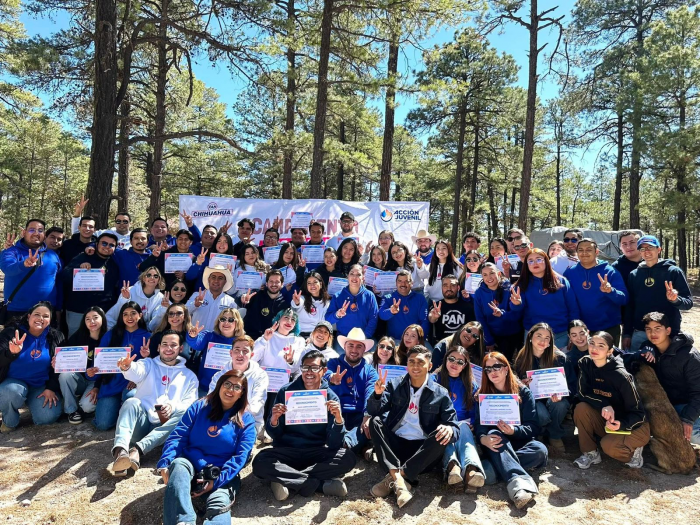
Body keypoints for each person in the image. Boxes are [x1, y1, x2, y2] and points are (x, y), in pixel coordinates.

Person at [252, 350, 356, 500]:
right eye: (305, 367)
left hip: (315, 452)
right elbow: (275, 435)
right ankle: (318, 485)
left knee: (348, 458)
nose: (309, 372)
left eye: (314, 368)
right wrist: (274, 419)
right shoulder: (286, 391)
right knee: (260, 461)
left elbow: (334, 444)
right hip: (287, 451)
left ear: (324, 371)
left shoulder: (331, 397)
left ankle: (286, 480)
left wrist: (339, 420)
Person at [158, 369, 255, 525]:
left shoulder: (247, 421)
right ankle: (183, 521)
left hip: (220, 474)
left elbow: (241, 457)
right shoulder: (199, 407)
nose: (230, 390)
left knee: (220, 502)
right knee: (179, 465)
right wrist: (165, 462)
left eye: (237, 387)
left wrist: (215, 482)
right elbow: (179, 435)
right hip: (190, 465)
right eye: (227, 384)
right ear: (220, 385)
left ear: (242, 393)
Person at [367, 345, 458, 508]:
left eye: (420, 362)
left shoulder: (441, 393)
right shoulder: (395, 385)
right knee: (374, 421)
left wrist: (450, 428)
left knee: (442, 433)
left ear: (430, 366)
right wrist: (377, 395)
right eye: (411, 362)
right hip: (396, 446)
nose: (415, 366)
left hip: (421, 451)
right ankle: (400, 481)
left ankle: (395, 477)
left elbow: (454, 426)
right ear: (407, 364)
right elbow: (374, 411)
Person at [111, 330, 199, 476]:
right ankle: (120, 452)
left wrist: (173, 407)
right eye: (164, 344)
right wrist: (127, 368)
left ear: (180, 348)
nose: (168, 348)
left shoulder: (189, 376)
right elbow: (136, 371)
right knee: (131, 401)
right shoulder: (148, 364)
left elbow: (190, 402)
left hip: (166, 429)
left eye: (173, 345)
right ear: (158, 347)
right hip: (143, 424)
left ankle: (138, 450)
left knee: (186, 413)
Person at [475, 352, 548, 509]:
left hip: (520, 443)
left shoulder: (523, 392)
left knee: (540, 450)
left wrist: (514, 431)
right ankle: (519, 488)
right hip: (496, 444)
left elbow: (533, 427)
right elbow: (480, 426)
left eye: (496, 367)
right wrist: (482, 438)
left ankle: (495, 468)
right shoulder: (482, 395)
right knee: (494, 434)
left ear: (506, 369)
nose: (492, 372)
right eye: (488, 369)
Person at [573, 331, 649, 469]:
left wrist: (621, 424)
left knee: (608, 446)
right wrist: (604, 404)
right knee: (581, 408)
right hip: (609, 422)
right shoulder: (585, 363)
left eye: (601, 346)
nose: (594, 349)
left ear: (610, 351)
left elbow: (639, 414)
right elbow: (582, 393)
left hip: (633, 425)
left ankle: (634, 451)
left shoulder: (620, 375)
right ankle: (590, 453)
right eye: (592, 343)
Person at [630, 312, 700, 444]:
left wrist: (688, 419)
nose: (653, 333)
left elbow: (698, 392)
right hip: (660, 405)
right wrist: (642, 353)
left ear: (668, 331)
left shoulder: (689, 356)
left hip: (684, 405)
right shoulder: (648, 349)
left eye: (657, 329)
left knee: (693, 435)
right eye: (648, 329)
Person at [0, 302, 64, 432]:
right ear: (29, 316)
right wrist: (11, 353)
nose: (41, 318)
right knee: (10, 392)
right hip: (13, 382)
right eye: (37, 314)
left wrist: (51, 388)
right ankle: (9, 422)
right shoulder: (11, 333)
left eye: (45, 316)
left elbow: (60, 367)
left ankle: (34, 403)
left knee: (47, 417)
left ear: (50, 320)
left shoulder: (56, 337)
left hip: (40, 385)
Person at [623, 235, 693, 352]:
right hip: (641, 332)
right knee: (637, 363)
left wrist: (675, 299)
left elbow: (688, 303)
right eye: (642, 249)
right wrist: (627, 333)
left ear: (659, 249)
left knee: (666, 364)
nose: (647, 251)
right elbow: (630, 306)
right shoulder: (634, 275)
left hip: (667, 332)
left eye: (650, 247)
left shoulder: (673, 272)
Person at [513, 323, 576, 453]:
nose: (543, 341)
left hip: (555, 399)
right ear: (530, 337)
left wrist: (563, 394)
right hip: (534, 400)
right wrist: (522, 385)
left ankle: (554, 435)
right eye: (539, 336)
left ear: (550, 342)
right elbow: (514, 385)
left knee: (559, 405)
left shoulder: (560, 358)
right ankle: (539, 433)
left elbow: (572, 384)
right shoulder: (521, 358)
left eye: (547, 338)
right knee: (541, 414)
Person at [433, 345, 485, 491]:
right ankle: (452, 466)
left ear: (465, 365)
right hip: (440, 423)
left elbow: (474, 410)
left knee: (462, 428)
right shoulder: (433, 379)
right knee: (446, 431)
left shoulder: (470, 385)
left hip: (462, 424)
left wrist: (473, 423)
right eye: (452, 359)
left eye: (460, 361)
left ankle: (471, 470)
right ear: (445, 360)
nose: (455, 363)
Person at [92, 301, 150, 431]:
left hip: (134, 385)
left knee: (130, 397)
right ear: (121, 317)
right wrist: (92, 372)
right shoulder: (111, 335)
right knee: (103, 424)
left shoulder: (147, 336)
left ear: (140, 315)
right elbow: (98, 362)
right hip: (111, 384)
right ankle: (117, 410)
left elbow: (152, 366)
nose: (129, 317)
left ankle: (127, 415)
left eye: (133, 313)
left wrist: (146, 358)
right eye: (125, 314)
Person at [510, 248, 581, 349]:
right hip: (533, 334)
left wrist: (573, 332)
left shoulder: (561, 281)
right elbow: (516, 311)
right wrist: (516, 304)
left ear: (546, 261)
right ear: (526, 265)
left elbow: (573, 309)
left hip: (560, 334)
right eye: (530, 261)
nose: (535, 263)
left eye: (538, 259)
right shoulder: (521, 285)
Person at [326, 328, 379, 453]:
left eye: (359, 346)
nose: (354, 350)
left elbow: (370, 392)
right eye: (351, 345)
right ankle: (351, 446)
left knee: (368, 424)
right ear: (344, 347)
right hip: (336, 411)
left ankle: (345, 444)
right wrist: (332, 378)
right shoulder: (333, 363)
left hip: (359, 414)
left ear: (364, 350)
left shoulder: (370, 371)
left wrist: (367, 415)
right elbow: (325, 374)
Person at [564, 238, 628, 342]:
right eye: (580, 250)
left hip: (608, 328)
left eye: (589, 250)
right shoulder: (569, 273)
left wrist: (610, 291)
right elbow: (566, 301)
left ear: (596, 252)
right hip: (580, 330)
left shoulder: (610, 271)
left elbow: (624, 299)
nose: (584, 253)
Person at [62, 232, 122, 337]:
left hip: (104, 312)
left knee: (102, 342)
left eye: (111, 245)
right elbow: (64, 276)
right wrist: (79, 269)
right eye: (104, 243)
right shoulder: (84, 256)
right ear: (97, 244)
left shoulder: (115, 262)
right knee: (76, 341)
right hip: (78, 310)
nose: (107, 247)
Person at [1, 219, 63, 319]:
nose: (36, 233)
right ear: (24, 232)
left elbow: (59, 282)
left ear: (44, 235)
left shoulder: (53, 255)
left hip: (46, 312)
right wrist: (23, 264)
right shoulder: (11, 251)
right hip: (17, 311)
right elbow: (8, 268)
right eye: (32, 230)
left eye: (40, 230)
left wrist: (58, 308)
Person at [207, 335, 269, 435]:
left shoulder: (260, 375)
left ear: (252, 355)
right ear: (231, 353)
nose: (240, 354)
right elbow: (211, 400)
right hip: (221, 419)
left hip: (248, 423)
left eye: (245, 351)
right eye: (237, 350)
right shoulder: (219, 376)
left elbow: (256, 405)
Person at [57, 307, 108, 425]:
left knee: (87, 407)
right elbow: (65, 356)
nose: (92, 322)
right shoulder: (78, 337)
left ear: (103, 318)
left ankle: (86, 402)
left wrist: (97, 387)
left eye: (95, 318)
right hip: (80, 379)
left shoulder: (109, 337)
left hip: (97, 382)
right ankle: (71, 410)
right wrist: (58, 360)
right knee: (65, 375)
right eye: (88, 319)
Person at [187, 308, 245, 396]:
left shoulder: (241, 341)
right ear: (218, 322)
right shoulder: (209, 336)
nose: (226, 323)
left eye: (231, 320)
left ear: (237, 323)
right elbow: (196, 344)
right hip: (205, 388)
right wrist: (193, 336)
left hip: (229, 390)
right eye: (223, 319)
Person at [473, 263, 523, 361]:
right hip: (492, 336)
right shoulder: (479, 293)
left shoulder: (510, 289)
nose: (489, 277)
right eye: (485, 275)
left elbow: (517, 315)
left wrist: (503, 314)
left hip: (512, 335)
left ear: (499, 274)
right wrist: (488, 340)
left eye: (492, 273)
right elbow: (480, 318)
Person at [325, 264, 379, 349]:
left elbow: (373, 319)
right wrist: (337, 315)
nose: (354, 277)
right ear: (347, 276)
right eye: (352, 274)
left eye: (358, 275)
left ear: (363, 277)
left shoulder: (370, 296)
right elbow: (328, 319)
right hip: (343, 339)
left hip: (364, 339)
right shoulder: (338, 296)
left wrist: (365, 337)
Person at [379, 270, 429, 343]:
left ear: (412, 283)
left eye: (406, 281)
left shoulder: (420, 298)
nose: (403, 284)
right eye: (400, 281)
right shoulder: (388, 297)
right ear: (396, 283)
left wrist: (419, 340)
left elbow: (424, 321)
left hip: (415, 342)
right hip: (395, 341)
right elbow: (381, 314)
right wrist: (391, 311)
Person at [239, 269, 290, 340]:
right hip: (250, 337)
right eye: (271, 281)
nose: (274, 284)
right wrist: (242, 299)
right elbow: (242, 302)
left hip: (271, 340)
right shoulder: (256, 296)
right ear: (266, 283)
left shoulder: (284, 304)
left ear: (282, 284)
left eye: (277, 282)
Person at [186, 266, 239, 332]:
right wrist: (195, 305)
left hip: (217, 338)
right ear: (209, 279)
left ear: (225, 282)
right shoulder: (196, 295)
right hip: (195, 336)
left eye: (220, 278)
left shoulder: (231, 302)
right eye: (213, 277)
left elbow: (234, 324)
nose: (216, 281)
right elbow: (184, 313)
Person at [428, 274, 475, 346]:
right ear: (442, 288)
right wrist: (433, 318)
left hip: (462, 345)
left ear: (458, 288)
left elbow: (473, 327)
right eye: (445, 285)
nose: (449, 288)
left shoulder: (468, 306)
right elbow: (431, 319)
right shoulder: (436, 306)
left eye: (452, 285)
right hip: (442, 345)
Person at [290, 272, 331, 337]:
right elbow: (296, 304)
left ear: (320, 284)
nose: (312, 285)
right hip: (301, 334)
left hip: (319, 336)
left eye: (315, 282)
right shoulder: (302, 298)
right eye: (309, 283)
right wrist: (297, 303)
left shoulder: (327, 302)